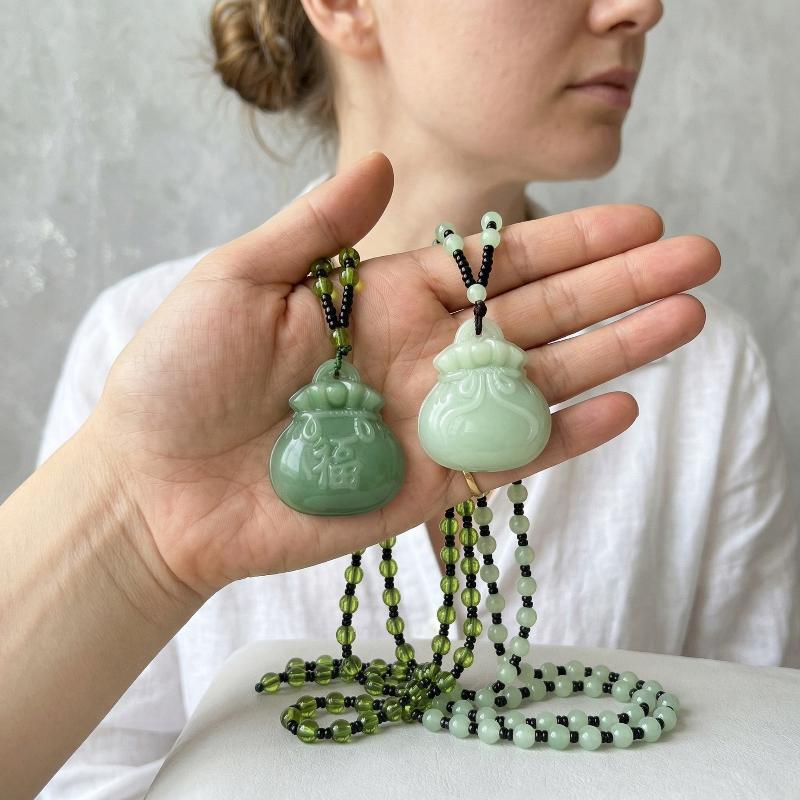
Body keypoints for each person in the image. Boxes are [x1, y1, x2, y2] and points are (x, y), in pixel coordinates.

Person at [15, 0, 795, 796]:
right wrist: (134, 529)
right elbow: (85, 780)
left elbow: (749, 750)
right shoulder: (140, 350)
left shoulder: (702, 368)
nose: (641, 9)